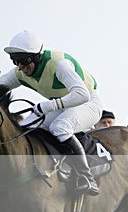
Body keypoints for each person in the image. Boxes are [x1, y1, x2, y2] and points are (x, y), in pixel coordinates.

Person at [0, 30, 101, 195]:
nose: (21, 66)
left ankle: (86, 177)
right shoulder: (20, 72)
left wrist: (48, 106)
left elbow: (82, 94)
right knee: (24, 128)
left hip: (89, 103)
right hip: (63, 105)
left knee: (60, 127)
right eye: (15, 61)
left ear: (37, 56)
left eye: (24, 61)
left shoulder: (59, 64)